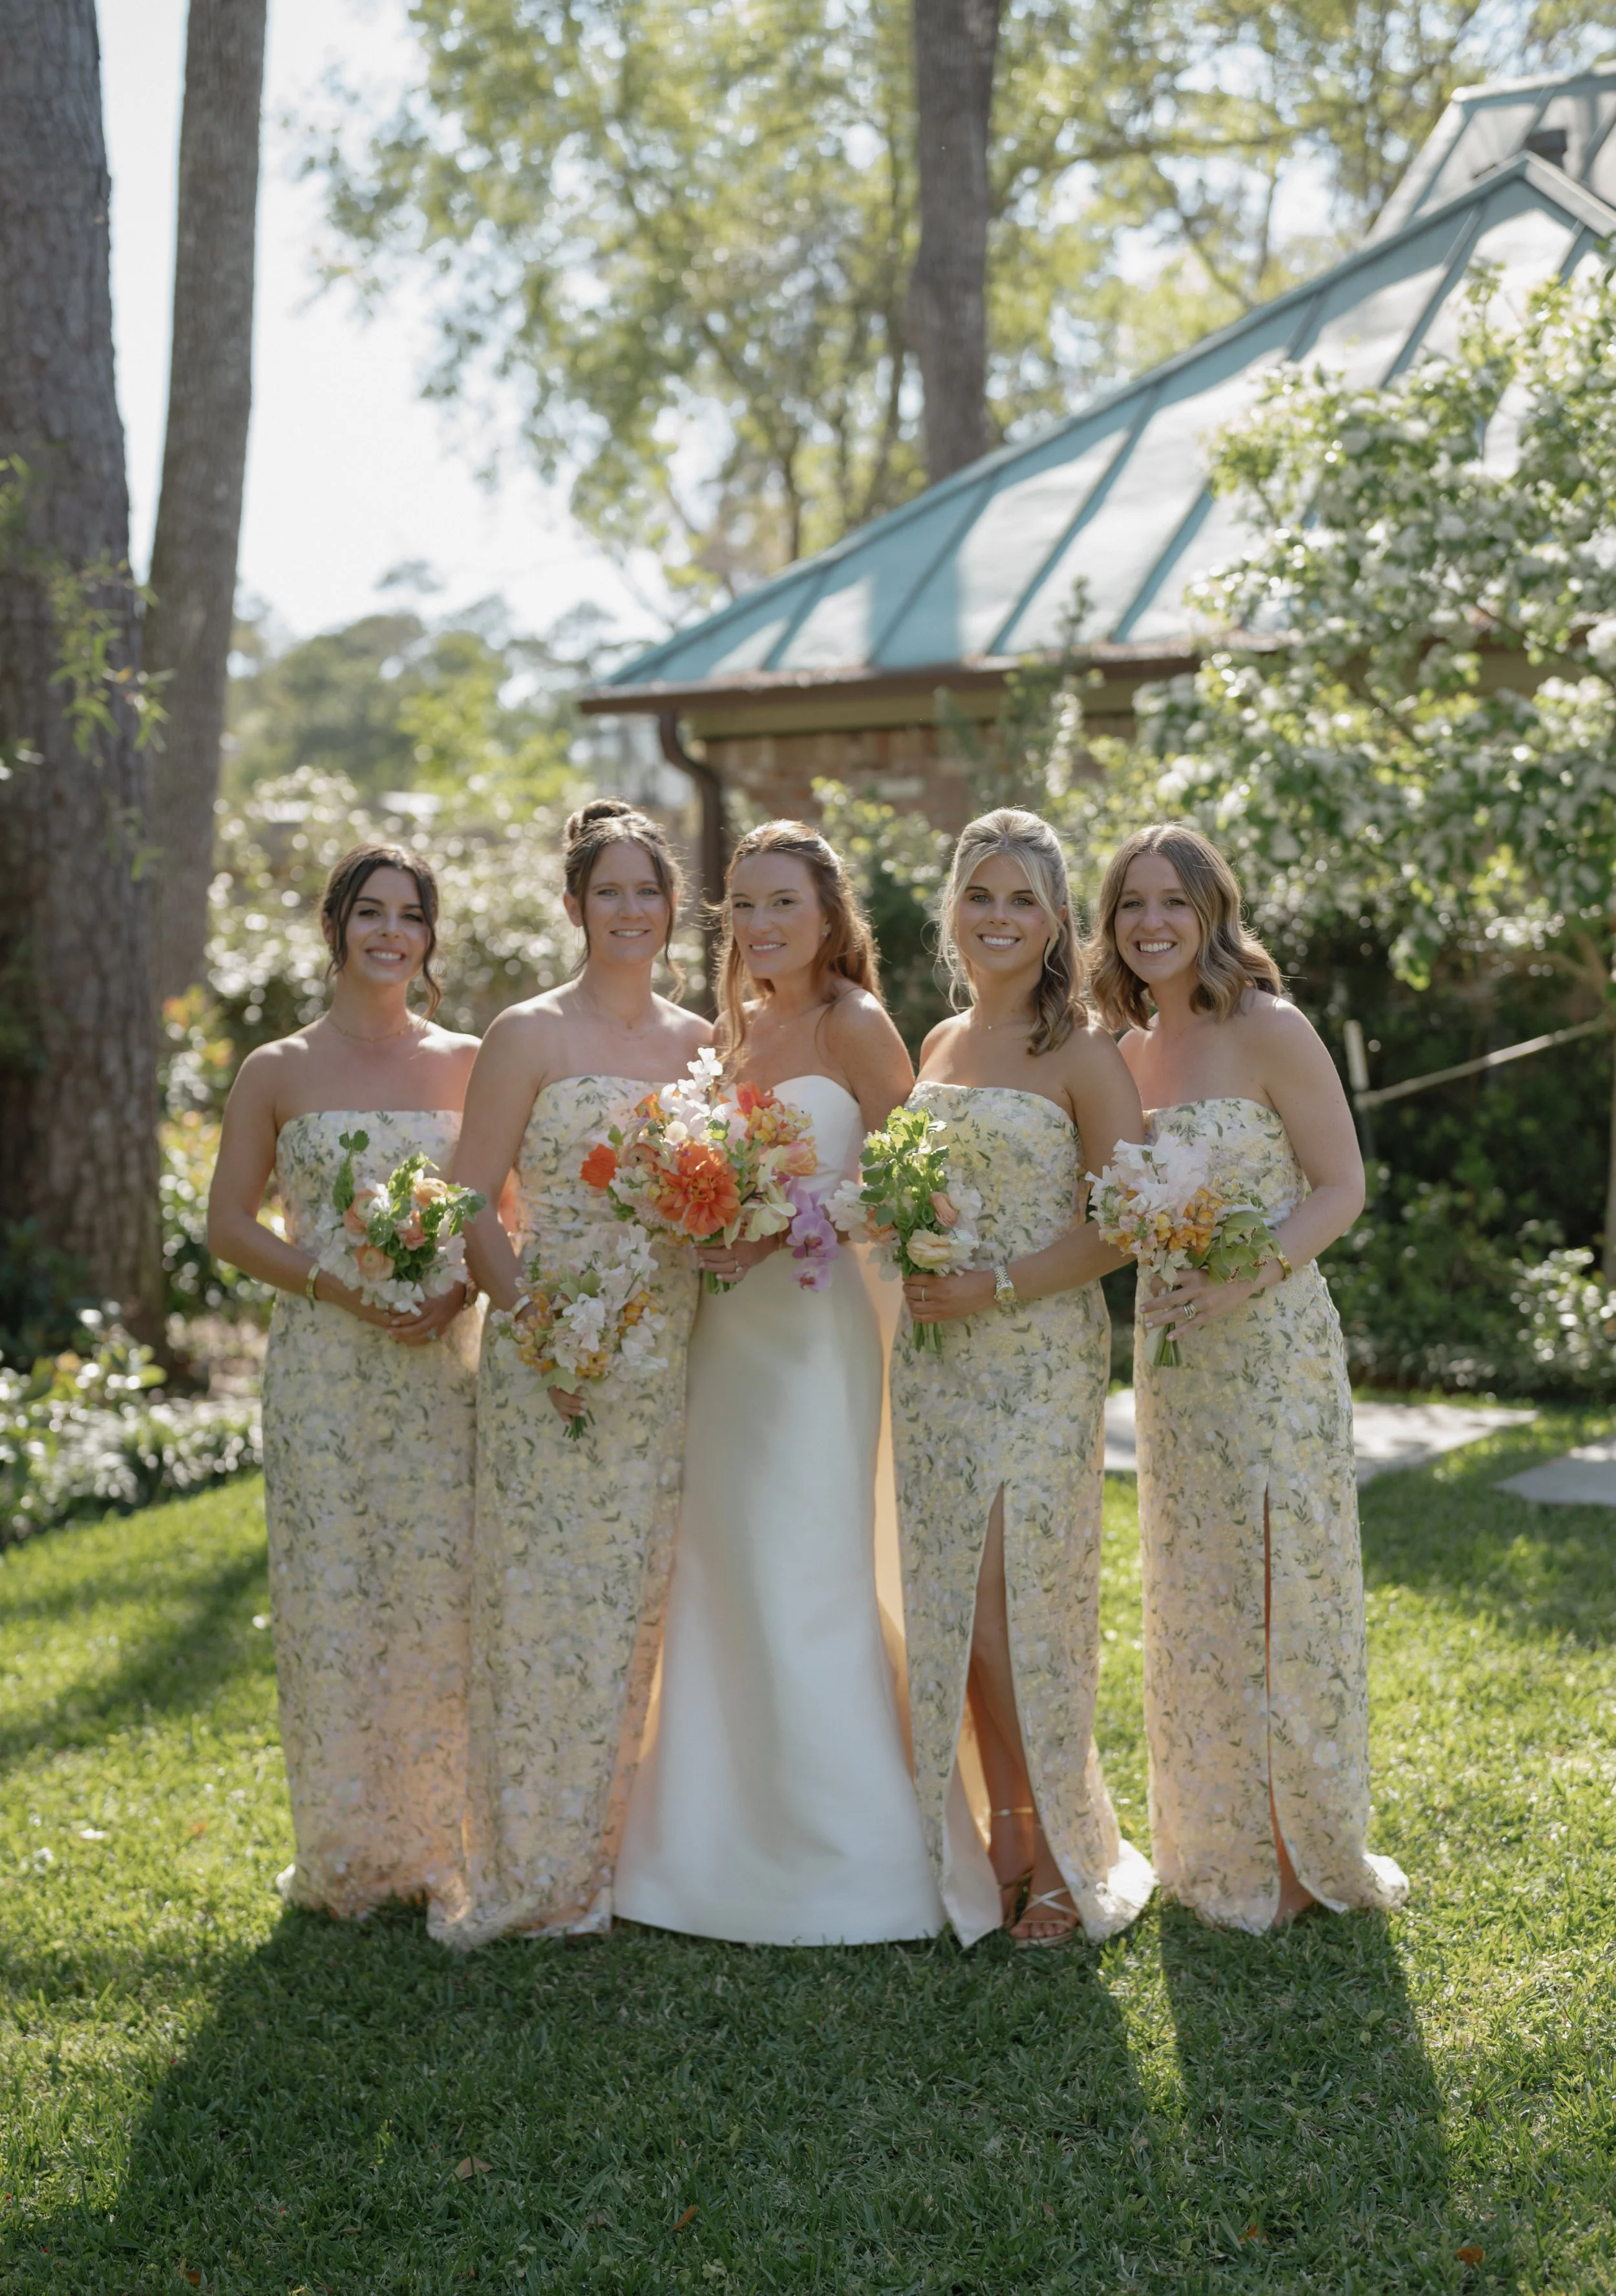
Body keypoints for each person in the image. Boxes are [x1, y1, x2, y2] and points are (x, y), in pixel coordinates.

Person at [614, 821, 944, 1944]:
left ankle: (852, 1856)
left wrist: (783, 1223)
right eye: (743, 906)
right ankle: (706, 1846)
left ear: (828, 915)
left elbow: (916, 1188)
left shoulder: (857, 1026)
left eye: (781, 904)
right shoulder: (731, 1033)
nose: (759, 925)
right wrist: (697, 1212)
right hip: (727, 1337)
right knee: (724, 1564)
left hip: (812, 1336)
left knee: (807, 1564)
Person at [1089, 821, 1409, 1933]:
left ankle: (1301, 1841)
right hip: (1174, 1362)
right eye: (1132, 903)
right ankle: (1216, 1843)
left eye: (1174, 901)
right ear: (1111, 924)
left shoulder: (1272, 1027)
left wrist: (1248, 1275)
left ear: (1214, 911)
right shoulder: (1123, 1055)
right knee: (1198, 1587)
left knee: (1285, 1578)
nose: (1153, 923)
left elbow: (1340, 1185)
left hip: (1271, 1346)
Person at [439, 799, 709, 1946]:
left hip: (672, 1358)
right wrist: (542, 1330)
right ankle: (537, 1859)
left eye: (649, 890)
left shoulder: (704, 1041)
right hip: (548, 1358)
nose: (632, 910)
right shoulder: (527, 1035)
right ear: (574, 906)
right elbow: (470, 1203)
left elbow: (719, 1188)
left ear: (674, 906)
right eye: (611, 892)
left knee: (643, 1600)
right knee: (543, 1604)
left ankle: (631, 1856)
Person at [891, 808, 1154, 1947]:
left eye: (1024, 900)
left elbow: (1126, 1225)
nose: (999, 917)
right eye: (980, 894)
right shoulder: (937, 1047)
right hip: (934, 1365)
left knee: (1019, 1608)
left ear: (1056, 925)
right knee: (957, 1605)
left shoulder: (1084, 1054)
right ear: (954, 908)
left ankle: (1059, 1853)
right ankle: (1000, 1835)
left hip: (1038, 1357)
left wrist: (995, 1283)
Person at [207, 843, 481, 1923]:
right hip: (324, 1364)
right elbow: (228, 1224)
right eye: (370, 912)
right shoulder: (277, 1069)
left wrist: (453, 1299)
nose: (390, 933)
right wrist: (334, 1284)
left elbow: (500, 1221)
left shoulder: (469, 1060)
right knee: (329, 1599)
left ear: (429, 938)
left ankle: (441, 1843)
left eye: (410, 916)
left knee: (438, 1595)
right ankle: (346, 1852)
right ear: (337, 926)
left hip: (438, 1362)